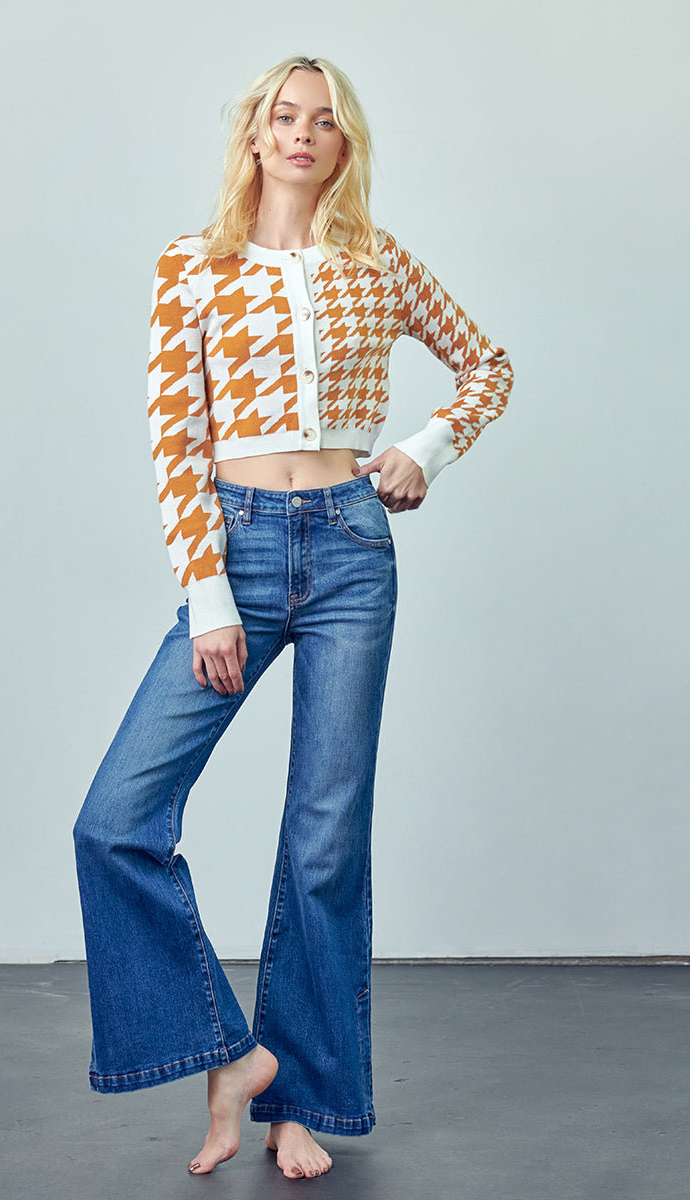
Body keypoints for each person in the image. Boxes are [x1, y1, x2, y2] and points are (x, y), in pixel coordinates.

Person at [73, 54, 513, 1180]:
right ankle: (233, 1058)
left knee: (325, 840)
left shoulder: (377, 261)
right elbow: (175, 439)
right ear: (257, 135)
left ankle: (297, 1099)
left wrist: (424, 451)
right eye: (284, 115)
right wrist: (208, 592)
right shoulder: (194, 265)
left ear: (343, 142)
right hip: (239, 548)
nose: (302, 133)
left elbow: (488, 366)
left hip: (352, 551)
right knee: (115, 818)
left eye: (324, 119)